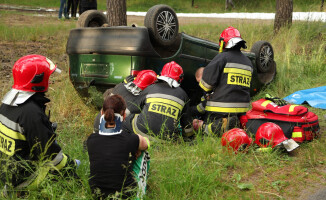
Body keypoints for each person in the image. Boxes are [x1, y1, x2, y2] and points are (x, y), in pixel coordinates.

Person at [0, 55, 78, 193]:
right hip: (23, 179)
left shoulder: (7, 103)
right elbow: (50, 156)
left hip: (7, 174)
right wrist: (72, 167)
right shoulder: (31, 113)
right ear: (38, 79)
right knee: (60, 167)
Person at [87, 95, 150, 199]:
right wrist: (136, 148)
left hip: (97, 196)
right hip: (126, 196)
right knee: (144, 152)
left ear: (102, 113)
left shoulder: (91, 140)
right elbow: (146, 144)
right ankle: (139, 196)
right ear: (124, 115)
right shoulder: (130, 139)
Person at [199, 27, 253, 136]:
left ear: (223, 43)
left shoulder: (222, 58)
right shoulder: (248, 62)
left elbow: (206, 86)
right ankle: (233, 125)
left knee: (203, 105)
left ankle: (205, 129)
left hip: (220, 110)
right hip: (242, 110)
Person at [125, 61, 194, 141]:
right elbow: (187, 124)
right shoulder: (183, 95)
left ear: (162, 74)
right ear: (180, 78)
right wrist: (189, 138)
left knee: (128, 118)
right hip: (165, 139)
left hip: (141, 132)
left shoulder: (151, 88)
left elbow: (133, 108)